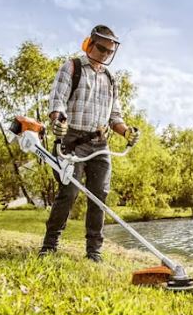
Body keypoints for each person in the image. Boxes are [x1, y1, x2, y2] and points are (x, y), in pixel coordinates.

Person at [39, 24, 140, 262]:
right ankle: (49, 245)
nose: (105, 54)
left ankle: (94, 252)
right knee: (69, 192)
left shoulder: (111, 79)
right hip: (72, 140)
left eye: (109, 51)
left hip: (100, 143)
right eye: (102, 49)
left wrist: (126, 132)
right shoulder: (72, 67)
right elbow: (57, 102)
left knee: (99, 195)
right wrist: (58, 121)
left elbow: (115, 116)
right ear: (89, 44)